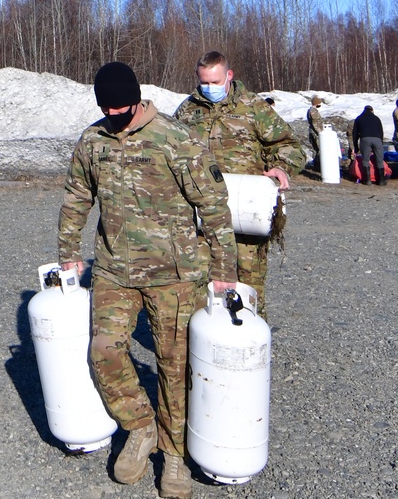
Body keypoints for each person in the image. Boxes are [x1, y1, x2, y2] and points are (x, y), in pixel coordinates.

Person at [59, 62, 237, 499]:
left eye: (123, 108)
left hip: (175, 276)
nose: (115, 116)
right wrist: (67, 253)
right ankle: (140, 427)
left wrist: (224, 270)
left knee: (174, 367)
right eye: (107, 108)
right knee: (104, 352)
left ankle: (174, 455)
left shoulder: (175, 138)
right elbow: (78, 197)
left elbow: (213, 205)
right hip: (114, 271)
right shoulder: (93, 139)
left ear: (138, 100)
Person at [174, 51, 304, 318]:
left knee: (247, 291)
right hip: (202, 220)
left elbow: (290, 146)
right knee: (200, 292)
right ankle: (203, 353)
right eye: (204, 83)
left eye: (215, 82)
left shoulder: (253, 107)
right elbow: (171, 152)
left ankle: (250, 350)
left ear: (229, 76)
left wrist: (282, 167)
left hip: (247, 215)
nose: (209, 88)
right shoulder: (188, 110)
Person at [352, 105, 387, 186]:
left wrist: (356, 146)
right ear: (372, 110)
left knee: (365, 160)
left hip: (365, 139)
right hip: (377, 139)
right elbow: (381, 131)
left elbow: (355, 134)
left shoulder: (359, 118)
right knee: (379, 160)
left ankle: (367, 180)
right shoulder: (376, 118)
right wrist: (380, 142)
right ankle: (381, 181)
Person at [306, 96, 324, 166]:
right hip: (315, 133)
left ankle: (317, 164)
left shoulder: (312, 111)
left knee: (317, 149)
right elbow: (315, 123)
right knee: (319, 149)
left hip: (314, 132)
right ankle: (319, 165)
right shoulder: (313, 111)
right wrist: (320, 132)